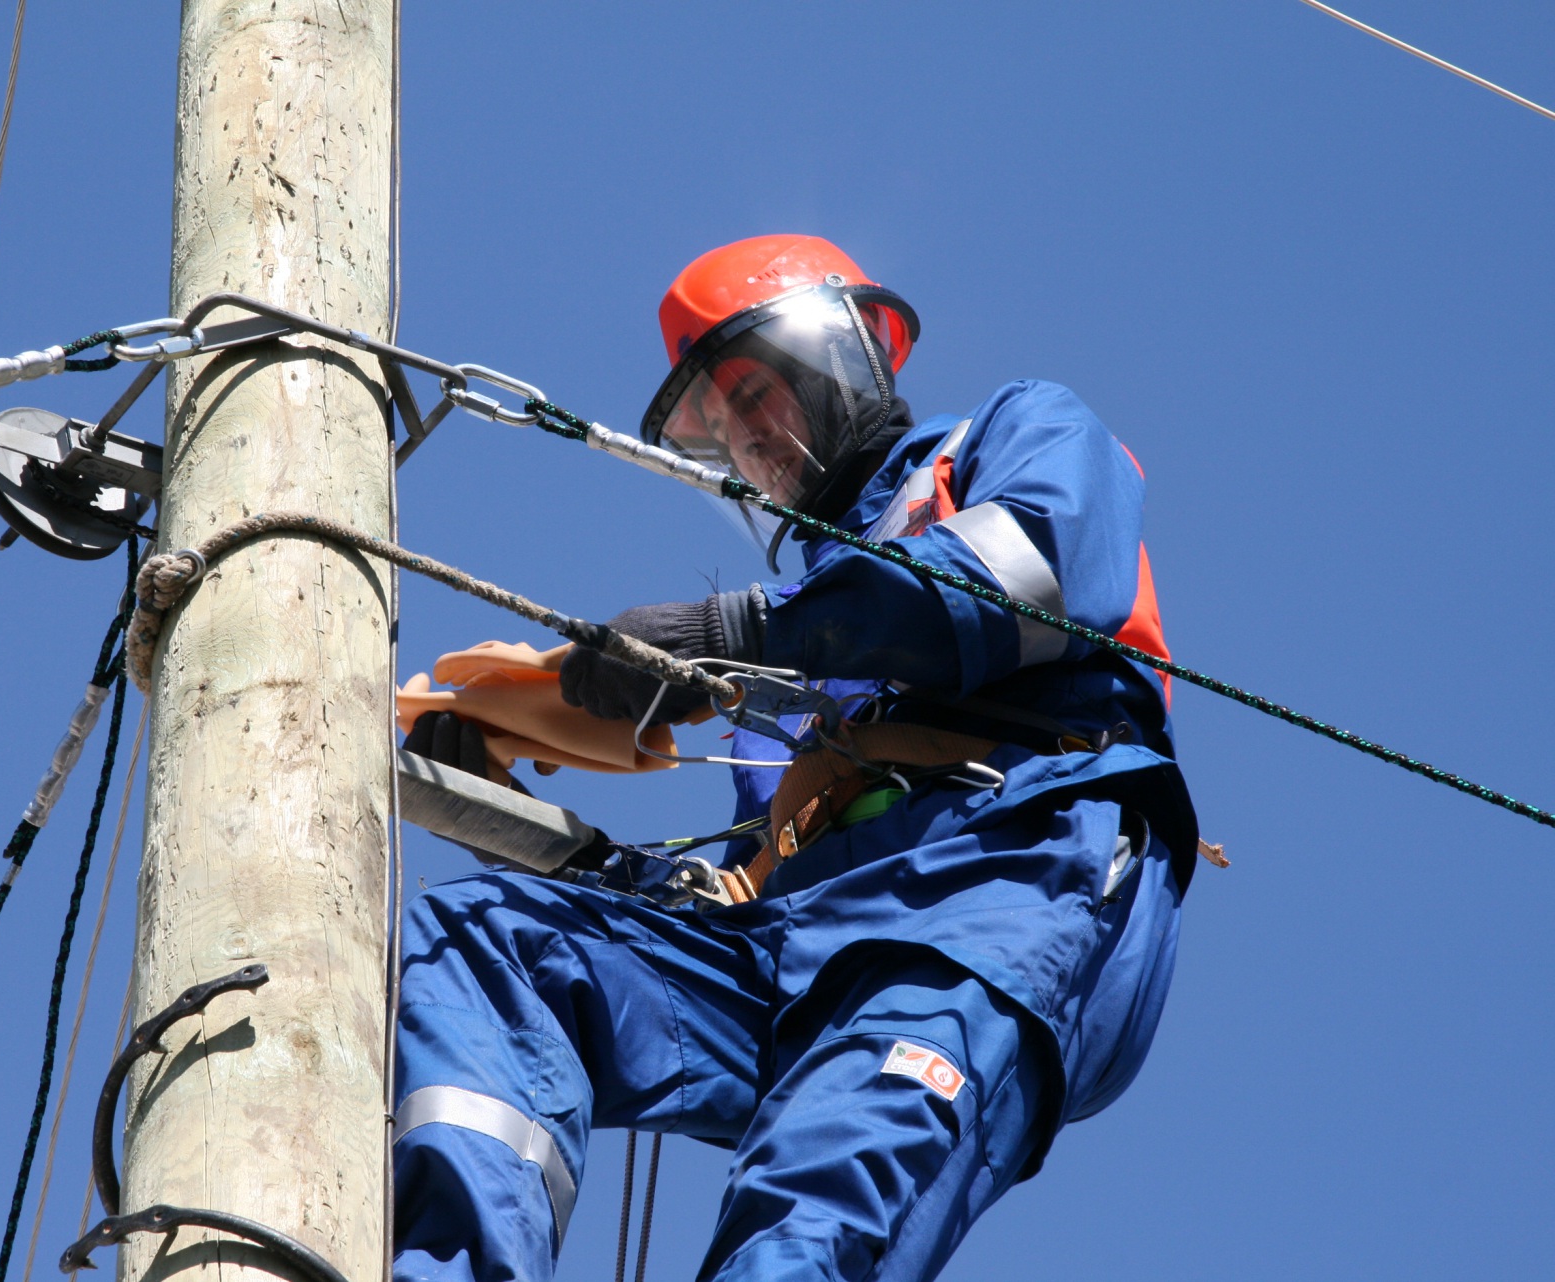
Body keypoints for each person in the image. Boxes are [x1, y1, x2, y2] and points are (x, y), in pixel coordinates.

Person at [393, 234, 1197, 1282]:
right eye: (720, 428)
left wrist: (740, 628)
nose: (746, 441)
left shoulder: (1006, 438)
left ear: (848, 351)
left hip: (999, 890)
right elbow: (732, 905)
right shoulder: (778, 711)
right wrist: (502, 811)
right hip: (798, 961)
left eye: (754, 394)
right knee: (487, 942)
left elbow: (1021, 585)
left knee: (803, 1222)